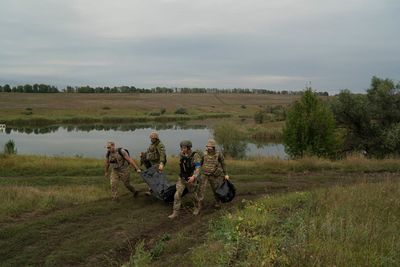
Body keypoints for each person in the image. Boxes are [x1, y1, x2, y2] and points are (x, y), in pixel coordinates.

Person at [168, 140, 202, 219]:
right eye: (181, 147)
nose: (182, 149)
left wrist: (194, 176)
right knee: (177, 195)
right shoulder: (181, 154)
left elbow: (198, 167)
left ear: (189, 148)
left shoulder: (195, 155)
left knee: (193, 195)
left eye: (184, 147)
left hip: (191, 178)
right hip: (182, 178)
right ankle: (175, 212)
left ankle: (197, 207)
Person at [198, 139, 230, 209]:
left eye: (210, 147)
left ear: (213, 147)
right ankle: (199, 206)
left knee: (216, 190)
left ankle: (218, 203)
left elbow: (223, 164)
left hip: (214, 175)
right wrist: (196, 172)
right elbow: (199, 163)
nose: (208, 148)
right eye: (208, 146)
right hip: (204, 175)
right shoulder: (204, 153)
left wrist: (226, 174)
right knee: (201, 190)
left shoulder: (218, 153)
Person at [142, 131, 166, 195]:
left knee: (157, 176)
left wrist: (161, 163)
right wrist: (144, 155)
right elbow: (149, 152)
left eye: (152, 138)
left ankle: (161, 190)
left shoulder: (159, 145)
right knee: (152, 176)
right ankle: (152, 189)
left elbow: (162, 154)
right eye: (151, 138)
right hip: (151, 163)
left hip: (157, 163)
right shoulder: (152, 144)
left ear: (156, 138)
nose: (151, 139)